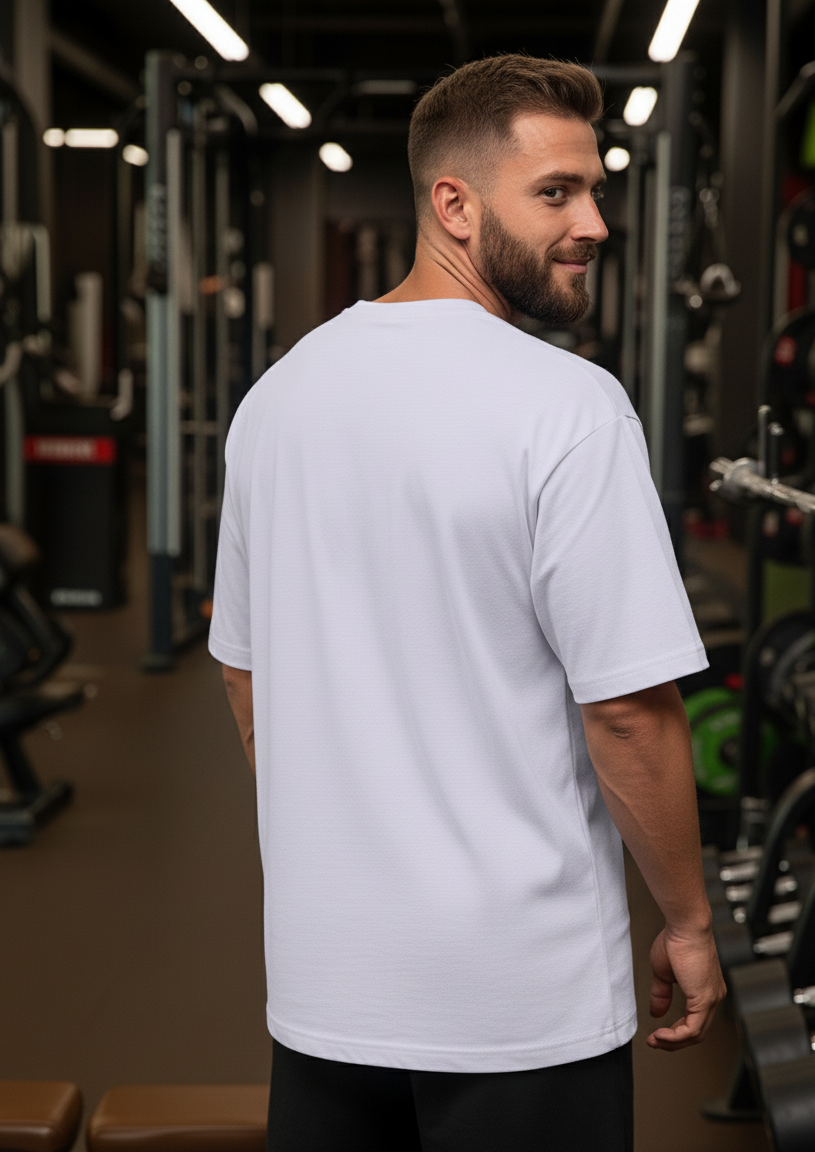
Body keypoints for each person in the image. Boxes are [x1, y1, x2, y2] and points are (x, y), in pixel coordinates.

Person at [209, 54, 726, 1152]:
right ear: (453, 203)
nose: (592, 223)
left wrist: (352, 833)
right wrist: (685, 920)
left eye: (594, 190)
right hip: (517, 1005)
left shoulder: (276, 398)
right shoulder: (569, 408)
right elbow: (625, 712)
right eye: (555, 193)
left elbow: (245, 671)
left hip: (325, 986)